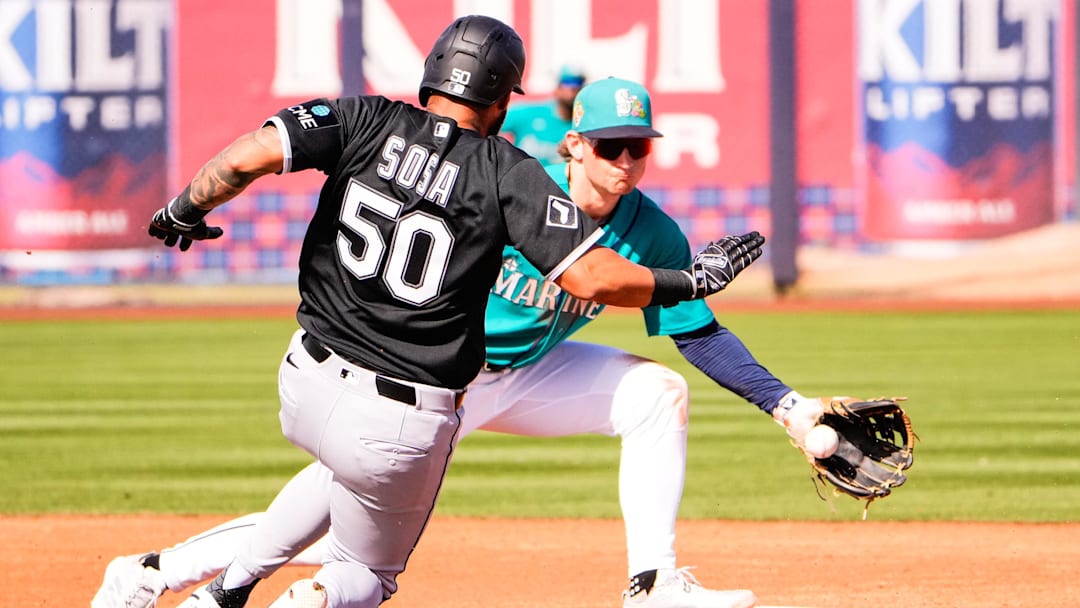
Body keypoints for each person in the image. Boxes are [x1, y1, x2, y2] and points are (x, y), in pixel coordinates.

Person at [92, 76, 833, 608]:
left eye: (639, 148)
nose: (627, 162)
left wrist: (790, 408)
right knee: (331, 521)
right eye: (611, 147)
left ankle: (653, 584)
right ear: (573, 144)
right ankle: (151, 573)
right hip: (437, 379)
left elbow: (696, 335)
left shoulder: (651, 228)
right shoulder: (513, 187)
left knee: (655, 393)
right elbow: (597, 281)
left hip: (531, 371)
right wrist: (688, 279)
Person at [499, 63, 585, 164]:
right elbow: (489, 122)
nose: (573, 88)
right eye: (568, 82)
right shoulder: (530, 113)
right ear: (557, 88)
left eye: (578, 83)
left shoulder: (584, 125)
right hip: (524, 177)